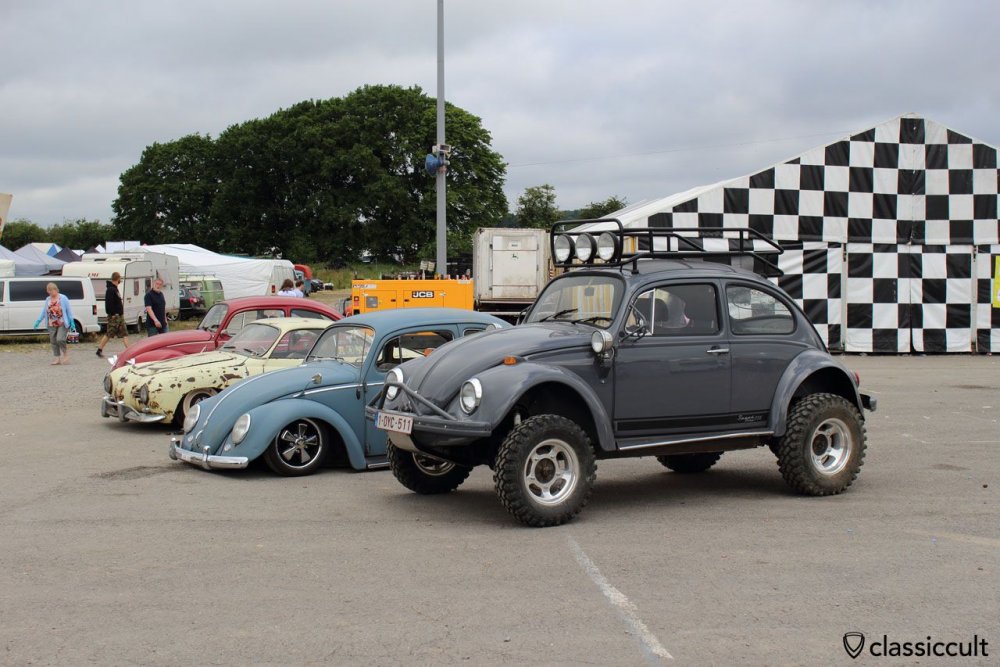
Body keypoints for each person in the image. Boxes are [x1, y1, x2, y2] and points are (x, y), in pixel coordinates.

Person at [33, 282, 75, 365]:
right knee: (53, 341)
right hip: (51, 323)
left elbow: (69, 311)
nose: (50, 293)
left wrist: (72, 321)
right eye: (48, 292)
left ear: (55, 289)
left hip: (62, 322)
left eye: (51, 291)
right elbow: (44, 311)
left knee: (60, 339)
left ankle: (65, 353)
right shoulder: (48, 299)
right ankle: (57, 358)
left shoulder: (63, 298)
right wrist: (38, 321)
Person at [96, 271, 131, 357]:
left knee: (124, 333)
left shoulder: (115, 288)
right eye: (120, 279)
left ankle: (129, 350)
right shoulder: (111, 290)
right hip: (114, 316)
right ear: (117, 279)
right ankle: (99, 349)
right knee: (109, 333)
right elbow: (109, 303)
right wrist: (112, 313)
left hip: (120, 316)